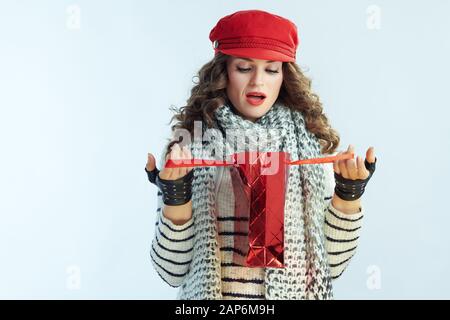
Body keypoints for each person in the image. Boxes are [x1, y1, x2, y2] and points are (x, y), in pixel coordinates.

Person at [144, 9, 377, 299]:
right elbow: (170, 270)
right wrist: (176, 197)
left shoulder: (311, 151)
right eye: (244, 68)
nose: (258, 82)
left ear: (284, 76)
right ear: (223, 73)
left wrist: (348, 195)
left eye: (271, 69)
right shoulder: (190, 151)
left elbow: (330, 267)